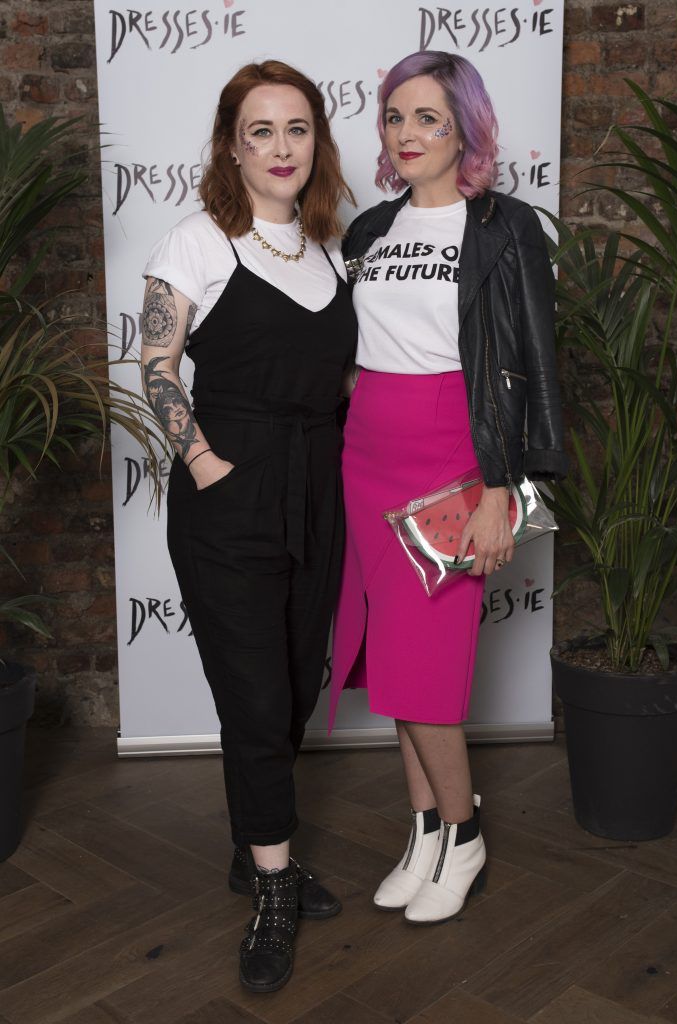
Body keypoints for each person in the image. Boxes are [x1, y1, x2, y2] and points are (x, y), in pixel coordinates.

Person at [330, 50, 567, 925]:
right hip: (366, 457)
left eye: (428, 116)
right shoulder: (369, 231)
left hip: (453, 459)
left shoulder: (504, 229)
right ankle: (424, 826)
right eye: (396, 117)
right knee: (392, 661)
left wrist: (504, 487)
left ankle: (463, 835)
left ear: (464, 125)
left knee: (425, 668)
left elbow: (538, 364)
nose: (409, 133)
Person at [141, 60, 356, 993]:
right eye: (261, 130)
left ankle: (250, 847)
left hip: (320, 490)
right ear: (234, 144)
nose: (281, 148)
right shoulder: (201, 241)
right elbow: (153, 363)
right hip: (228, 492)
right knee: (255, 697)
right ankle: (273, 884)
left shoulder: (329, 252)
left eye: (297, 129)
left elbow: (344, 382)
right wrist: (202, 462)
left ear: (318, 143)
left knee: (301, 678)